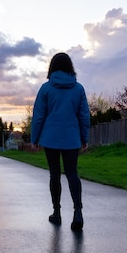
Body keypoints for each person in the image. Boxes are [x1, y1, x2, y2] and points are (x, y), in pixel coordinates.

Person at [31, 53, 90, 230]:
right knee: (72, 173)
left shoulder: (46, 88)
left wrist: (35, 138)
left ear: (52, 67)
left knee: (54, 175)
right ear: (70, 67)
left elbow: (38, 116)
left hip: (50, 139)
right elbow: (84, 115)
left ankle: (56, 213)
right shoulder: (78, 88)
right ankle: (78, 212)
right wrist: (84, 138)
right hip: (72, 139)